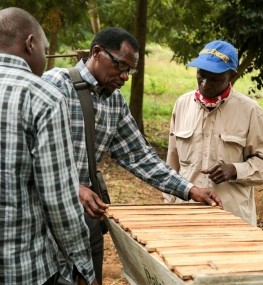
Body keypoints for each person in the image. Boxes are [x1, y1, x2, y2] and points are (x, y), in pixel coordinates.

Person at [42, 27, 222, 285]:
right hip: (47, 220)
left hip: (87, 218)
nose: (125, 76)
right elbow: (24, 156)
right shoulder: (55, 85)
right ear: (96, 53)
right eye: (121, 66)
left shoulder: (114, 101)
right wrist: (74, 187)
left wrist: (190, 190)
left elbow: (139, 156)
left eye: (131, 70)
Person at [0, 7, 98, 285]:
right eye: (45, 49)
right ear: (30, 44)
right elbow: (60, 200)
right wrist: (82, 265)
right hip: (23, 269)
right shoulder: (42, 96)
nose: (45, 57)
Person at [162, 40, 263, 226]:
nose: (205, 83)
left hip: (233, 221)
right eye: (201, 74)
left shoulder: (249, 111)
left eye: (214, 78)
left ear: (232, 76)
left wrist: (235, 170)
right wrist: (170, 205)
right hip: (186, 217)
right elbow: (172, 163)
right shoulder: (182, 105)